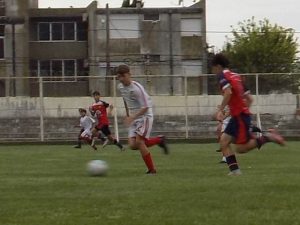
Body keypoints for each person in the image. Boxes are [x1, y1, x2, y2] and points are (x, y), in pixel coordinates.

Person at [212, 53, 285, 175]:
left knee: (241, 148)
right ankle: (235, 171)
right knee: (224, 141)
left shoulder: (222, 76)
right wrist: (241, 112)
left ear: (218, 66)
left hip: (239, 116)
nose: (213, 71)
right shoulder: (236, 76)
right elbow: (249, 99)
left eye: (213, 68)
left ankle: (268, 137)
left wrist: (221, 109)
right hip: (240, 116)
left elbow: (228, 92)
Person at [116, 64, 169, 174]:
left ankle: (152, 170)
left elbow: (145, 107)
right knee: (132, 145)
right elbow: (126, 100)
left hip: (145, 116)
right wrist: (128, 115)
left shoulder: (137, 89)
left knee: (140, 142)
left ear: (129, 75)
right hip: (133, 117)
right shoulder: (120, 87)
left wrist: (132, 117)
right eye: (119, 77)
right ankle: (159, 140)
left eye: (123, 76)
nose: (121, 79)